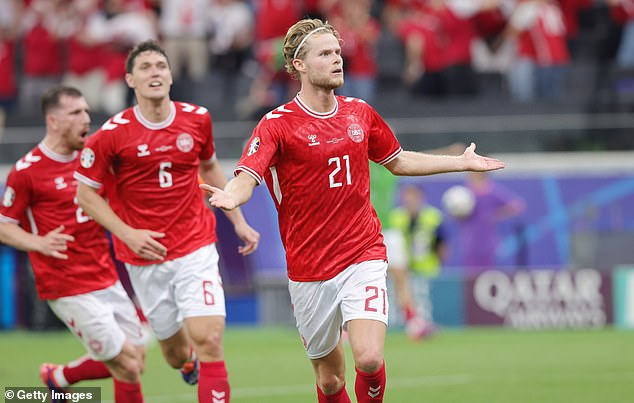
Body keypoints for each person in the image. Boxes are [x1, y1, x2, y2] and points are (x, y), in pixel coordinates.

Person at [200, 18, 505, 403]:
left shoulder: (359, 112)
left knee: (370, 356)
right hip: (308, 269)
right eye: (325, 54)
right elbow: (248, 174)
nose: (337, 60)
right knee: (329, 381)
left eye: (338, 53)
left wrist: (461, 163)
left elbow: (398, 160)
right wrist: (233, 194)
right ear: (299, 65)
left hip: (363, 254)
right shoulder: (276, 124)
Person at [74, 40, 260, 403]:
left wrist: (237, 219)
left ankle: (201, 364)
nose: (154, 72)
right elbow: (85, 195)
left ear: (171, 75)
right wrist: (128, 234)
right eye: (145, 67)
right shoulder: (111, 135)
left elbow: (210, 169)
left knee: (208, 338)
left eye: (161, 66)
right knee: (175, 354)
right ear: (130, 79)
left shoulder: (197, 118)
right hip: (144, 257)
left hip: (195, 245)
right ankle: (184, 361)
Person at [0, 85, 146, 402]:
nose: (86, 119)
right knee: (126, 362)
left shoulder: (91, 160)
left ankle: (58, 377)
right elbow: (4, 227)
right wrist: (38, 243)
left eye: (87, 112)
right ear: (53, 121)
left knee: (136, 357)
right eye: (76, 113)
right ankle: (58, 378)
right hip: (65, 284)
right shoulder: (27, 171)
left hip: (104, 275)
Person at [384, 184, 447, 340]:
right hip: (403, 263)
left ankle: (416, 322)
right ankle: (414, 323)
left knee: (411, 291)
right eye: (407, 195)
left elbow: (442, 241)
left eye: (413, 195)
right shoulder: (395, 217)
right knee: (399, 286)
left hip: (425, 267)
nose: (409, 199)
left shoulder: (432, 216)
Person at [457, 171, 525, 271]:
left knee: (488, 274)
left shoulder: (492, 191)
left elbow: (517, 205)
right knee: (470, 275)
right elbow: (457, 217)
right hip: (471, 243)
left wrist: (496, 215)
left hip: (487, 243)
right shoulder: (465, 194)